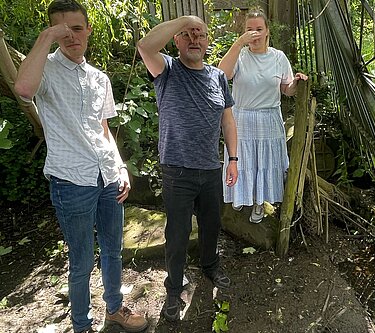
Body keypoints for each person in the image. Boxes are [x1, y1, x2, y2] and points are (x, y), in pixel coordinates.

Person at [14, 1, 148, 332]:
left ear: (88, 30)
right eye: (61, 30)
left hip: (107, 177)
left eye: (76, 28)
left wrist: (120, 168)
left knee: (113, 251)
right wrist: (46, 38)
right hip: (71, 181)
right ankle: (81, 324)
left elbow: (103, 129)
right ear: (52, 33)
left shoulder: (99, 78)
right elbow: (23, 89)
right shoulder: (44, 70)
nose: (70, 36)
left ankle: (115, 309)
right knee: (81, 262)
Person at [137, 15, 238, 322]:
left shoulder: (218, 77)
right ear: (177, 40)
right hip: (177, 170)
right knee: (178, 233)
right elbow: (145, 46)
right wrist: (185, 19)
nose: (195, 39)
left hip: (209, 169)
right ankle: (173, 289)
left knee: (211, 225)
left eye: (201, 34)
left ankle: (210, 266)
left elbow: (228, 120)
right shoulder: (167, 69)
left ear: (208, 43)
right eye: (188, 34)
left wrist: (233, 158)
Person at [218, 8, 308, 224]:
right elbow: (221, 74)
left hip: (269, 117)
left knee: (265, 161)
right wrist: (238, 43)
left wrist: (296, 82)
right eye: (250, 30)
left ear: (267, 31)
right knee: (240, 159)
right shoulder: (240, 55)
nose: (255, 34)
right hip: (242, 116)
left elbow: (287, 89)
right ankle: (240, 196)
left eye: (259, 29)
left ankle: (259, 202)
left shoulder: (278, 57)